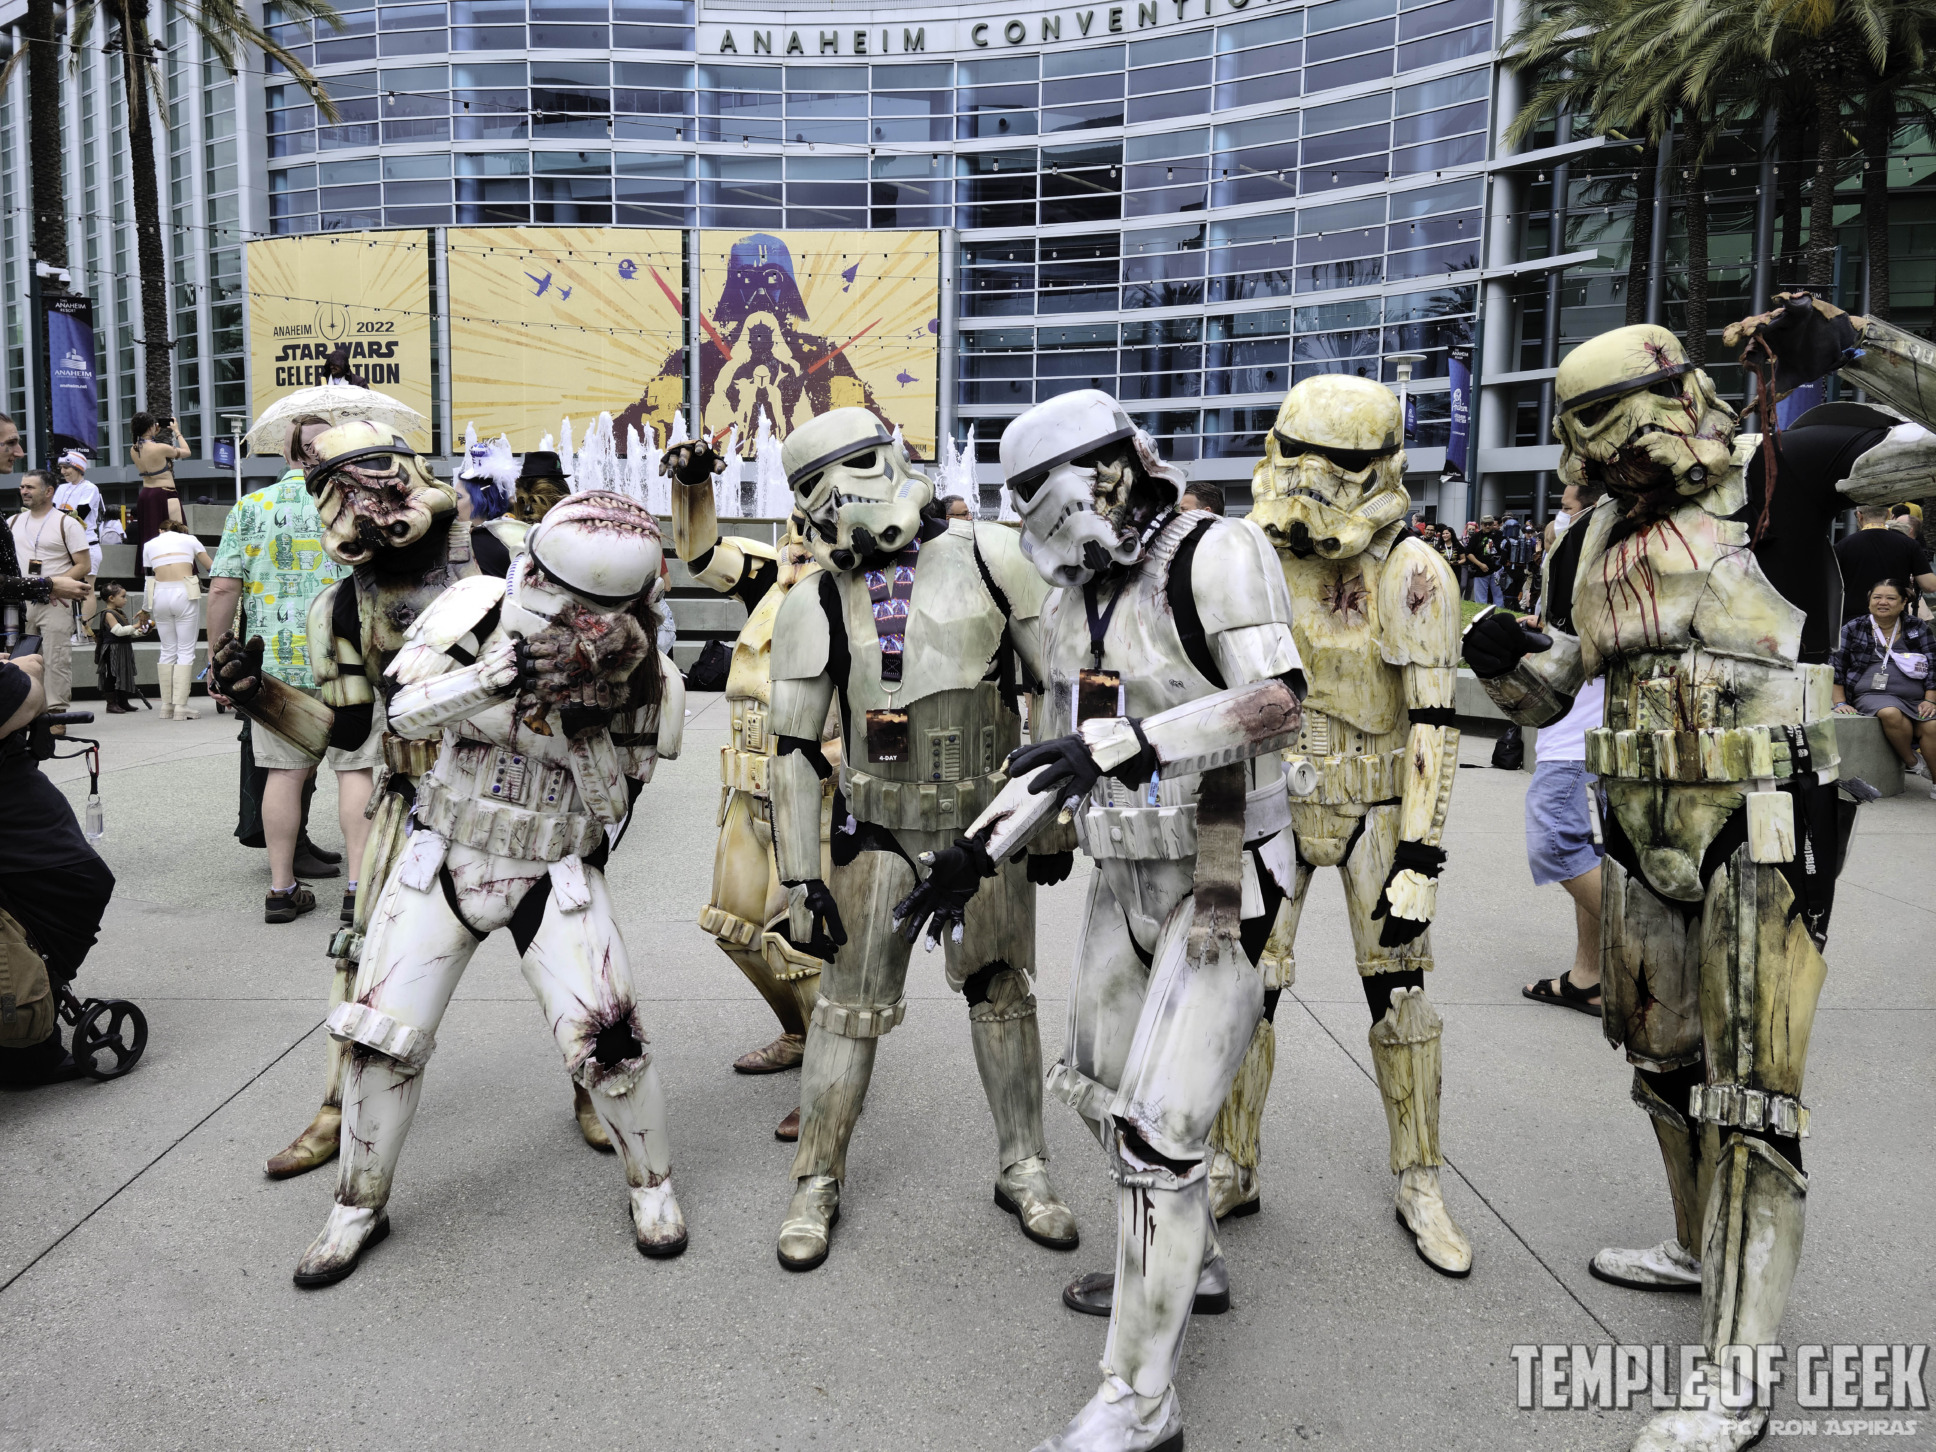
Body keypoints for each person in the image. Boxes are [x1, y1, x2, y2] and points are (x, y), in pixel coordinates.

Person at [894, 388, 1306, 1452]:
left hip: (1220, 856)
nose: (1034, 526)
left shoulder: (1218, 553)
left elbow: (1278, 701)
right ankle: (1190, 1260)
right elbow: (1058, 756)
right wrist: (974, 850)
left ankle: (1139, 1402)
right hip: (1124, 870)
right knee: (1100, 1089)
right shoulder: (1072, 603)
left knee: (1159, 1130)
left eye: (1039, 498)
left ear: (1104, 472)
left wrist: (1131, 745)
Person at [1465, 322, 1853, 1452]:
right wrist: (1502, 659)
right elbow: (1561, 683)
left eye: (1624, 427)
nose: (1610, 460)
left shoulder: (1785, 476)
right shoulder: (1591, 537)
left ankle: (1737, 1375)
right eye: (1589, 439)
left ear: (1683, 398)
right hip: (1637, 823)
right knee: (1660, 1064)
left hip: (1762, 823)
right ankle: (1694, 1249)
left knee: (1752, 1098)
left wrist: (1850, 345)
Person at [275, 492, 687, 1286]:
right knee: (380, 1039)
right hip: (446, 850)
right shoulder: (474, 608)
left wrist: (585, 718)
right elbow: (404, 715)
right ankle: (357, 1204)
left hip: (555, 867)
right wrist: (500, 677)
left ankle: (653, 1186)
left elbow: (614, 806)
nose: (567, 619)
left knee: (612, 1047)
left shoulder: (651, 680)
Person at [763, 407, 1077, 1271]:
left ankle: (1024, 1163)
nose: (838, 498)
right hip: (876, 831)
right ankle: (816, 1177)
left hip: (985, 823)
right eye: (812, 486)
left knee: (1002, 994)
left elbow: (1056, 690)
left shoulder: (995, 557)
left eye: (851, 468)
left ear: (892, 457)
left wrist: (1051, 821)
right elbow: (791, 748)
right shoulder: (816, 598)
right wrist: (801, 877)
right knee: (846, 1009)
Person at [1216, 374, 1471, 1267]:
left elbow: (1434, 721)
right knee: (1244, 989)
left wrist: (1422, 856)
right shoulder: (1247, 556)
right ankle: (1232, 1161)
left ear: (1383, 467)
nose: (1313, 479)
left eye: (1339, 462)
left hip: (1377, 801)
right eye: (1298, 456)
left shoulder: (1413, 569)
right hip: (1269, 800)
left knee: (1399, 994)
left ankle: (1421, 1177)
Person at [661, 433, 831, 1143]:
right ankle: (798, 1035)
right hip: (745, 788)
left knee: (799, 940)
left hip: (815, 794)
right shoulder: (774, 575)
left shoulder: (872, 589)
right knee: (736, 929)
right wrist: (694, 483)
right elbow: (703, 555)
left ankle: (831, 1073)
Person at [205, 430, 361, 922]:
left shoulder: (250, 506)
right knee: (355, 771)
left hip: (275, 666)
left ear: (286, 449)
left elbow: (223, 589)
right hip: (349, 660)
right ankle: (358, 891)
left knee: (284, 774)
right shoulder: (354, 502)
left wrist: (217, 659)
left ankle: (281, 889)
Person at [0, 650, 118, 1088]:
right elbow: (24, 685)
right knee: (79, 886)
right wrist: (17, 670)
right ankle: (25, 1045)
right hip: (27, 840)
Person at [1519, 481, 1606, 1015]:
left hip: (1579, 736)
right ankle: (1588, 977)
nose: (1558, 516)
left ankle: (1662, 961)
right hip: (1579, 731)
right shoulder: (1581, 558)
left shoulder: (1598, 549)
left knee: (1553, 841)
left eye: (1567, 507)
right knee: (1592, 853)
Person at [1831, 578, 1936, 793]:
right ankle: (1912, 761)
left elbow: (1933, 663)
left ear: (1903, 602)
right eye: (1877, 597)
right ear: (1869, 600)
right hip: (1872, 694)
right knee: (1890, 712)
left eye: (1890, 598)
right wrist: (1840, 702)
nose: (1882, 602)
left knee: (1931, 726)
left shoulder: (1916, 626)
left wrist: (1930, 699)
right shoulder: (1854, 627)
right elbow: (1836, 666)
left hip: (1915, 697)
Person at [8, 469, 91, 723]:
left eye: (30, 487)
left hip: (56, 601)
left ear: (48, 491)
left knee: (56, 658)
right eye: (22, 486)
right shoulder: (12, 522)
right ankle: (28, 713)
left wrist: (54, 585)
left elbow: (83, 565)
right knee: (21, 659)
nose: (24, 491)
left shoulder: (66, 523)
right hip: (22, 601)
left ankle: (55, 715)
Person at [140, 519, 212, 720]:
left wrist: (145, 608)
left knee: (167, 650)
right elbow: (211, 567)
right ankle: (181, 706)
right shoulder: (190, 540)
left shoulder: (149, 545)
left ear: (160, 530)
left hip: (159, 595)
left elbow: (148, 580)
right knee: (185, 650)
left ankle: (167, 706)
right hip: (185, 591)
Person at [1834, 502, 1936, 625]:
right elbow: (1930, 585)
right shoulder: (1909, 544)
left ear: (1860, 516)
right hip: (1893, 621)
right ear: (1888, 514)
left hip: (1853, 622)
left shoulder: (1842, 546)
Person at [53, 451, 104, 641]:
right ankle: (66, 630)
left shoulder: (90, 488)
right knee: (62, 587)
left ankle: (83, 632)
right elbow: (52, 512)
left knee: (87, 589)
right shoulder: (61, 488)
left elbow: (80, 513)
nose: (63, 471)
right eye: (61, 468)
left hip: (87, 545)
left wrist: (57, 515)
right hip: (65, 546)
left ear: (78, 468)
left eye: (66, 467)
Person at [130, 413, 191, 562]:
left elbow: (147, 445)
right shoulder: (160, 448)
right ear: (150, 427)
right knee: (177, 532)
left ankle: (151, 567)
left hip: (146, 495)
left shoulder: (134, 449)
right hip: (165, 493)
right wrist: (177, 431)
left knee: (150, 535)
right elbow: (187, 452)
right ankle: (177, 564)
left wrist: (152, 434)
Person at [92, 583, 146, 713]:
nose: (125, 599)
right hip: (113, 649)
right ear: (111, 598)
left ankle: (123, 702)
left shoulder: (119, 613)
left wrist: (141, 631)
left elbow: (127, 632)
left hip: (123, 648)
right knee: (113, 675)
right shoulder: (108, 613)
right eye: (123, 596)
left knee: (124, 674)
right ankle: (111, 704)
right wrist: (137, 625)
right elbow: (118, 631)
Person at [1463, 514, 1503, 604]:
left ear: (1493, 524)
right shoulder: (1476, 536)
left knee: (1499, 596)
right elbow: (1468, 553)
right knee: (1480, 598)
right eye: (1485, 524)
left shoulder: (1499, 534)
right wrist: (1480, 564)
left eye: (1490, 524)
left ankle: (1499, 611)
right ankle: (1482, 612)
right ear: (1481, 524)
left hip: (1497, 570)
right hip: (1480, 570)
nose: (1487, 526)